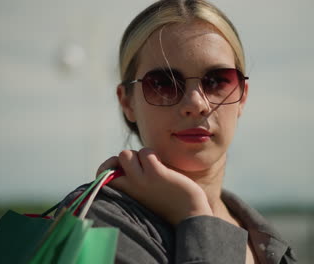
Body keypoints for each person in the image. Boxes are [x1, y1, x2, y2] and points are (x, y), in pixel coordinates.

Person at [55, 0, 297, 263]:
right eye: (163, 84)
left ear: (242, 97)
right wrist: (195, 217)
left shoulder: (262, 237)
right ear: (127, 102)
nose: (196, 104)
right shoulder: (97, 223)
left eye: (216, 81)